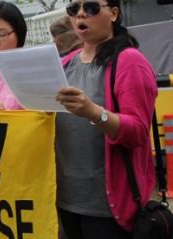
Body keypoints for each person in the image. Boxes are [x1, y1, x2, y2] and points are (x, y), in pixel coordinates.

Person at [55, 0, 157, 238]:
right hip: (66, 199)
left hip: (110, 209)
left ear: (113, 14)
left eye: (90, 7)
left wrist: (94, 112)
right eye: (73, 8)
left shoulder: (129, 61)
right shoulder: (65, 64)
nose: (80, 13)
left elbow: (138, 132)